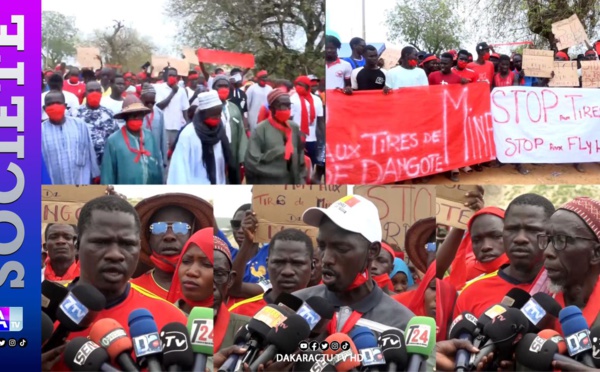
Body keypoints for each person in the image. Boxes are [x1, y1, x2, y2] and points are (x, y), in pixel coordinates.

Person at [44, 196, 187, 372]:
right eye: (101, 242)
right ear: (78, 244)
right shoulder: (32, 311)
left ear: (138, 247)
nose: (115, 255)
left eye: (127, 244)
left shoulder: (174, 321)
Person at [295, 195, 415, 334]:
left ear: (372, 251)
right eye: (322, 246)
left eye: (341, 249)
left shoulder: (401, 324)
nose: (326, 259)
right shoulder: (295, 305)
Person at [454, 193, 555, 318]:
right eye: (512, 229)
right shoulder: (470, 294)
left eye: (532, 230)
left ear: (551, 235)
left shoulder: (565, 289)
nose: (520, 238)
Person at [131, 192, 214, 299]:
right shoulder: (131, 291)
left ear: (193, 234)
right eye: (159, 227)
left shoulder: (210, 291)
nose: (169, 236)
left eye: (180, 227)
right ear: (148, 236)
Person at [542, 197, 600, 327]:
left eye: (561, 240)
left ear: (596, 253)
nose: (547, 252)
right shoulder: (539, 303)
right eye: (548, 240)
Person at [229, 229, 313, 317]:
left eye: (297, 263)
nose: (287, 271)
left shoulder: (324, 318)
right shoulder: (239, 312)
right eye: (279, 262)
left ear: (312, 266)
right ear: (267, 264)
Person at [168, 90, 236, 184]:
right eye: (213, 115)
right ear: (203, 113)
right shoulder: (188, 134)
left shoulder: (219, 131)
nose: (217, 118)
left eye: (219, 114)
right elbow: (180, 169)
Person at [441, 206, 509, 292]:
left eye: (496, 236)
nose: (485, 246)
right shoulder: (469, 289)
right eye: (476, 240)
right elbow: (434, 277)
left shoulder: (530, 275)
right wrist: (461, 221)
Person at [245, 89, 307, 184]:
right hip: (269, 183)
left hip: (292, 182)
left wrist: (301, 180)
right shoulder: (260, 130)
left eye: (289, 106)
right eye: (282, 106)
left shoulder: (293, 127)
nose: (286, 109)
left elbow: (300, 158)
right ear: (271, 108)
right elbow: (252, 163)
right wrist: (279, 152)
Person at [101, 96, 163, 184]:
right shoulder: (114, 141)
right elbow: (108, 174)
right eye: (133, 116)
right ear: (125, 117)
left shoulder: (149, 136)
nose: (137, 118)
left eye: (140, 115)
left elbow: (158, 163)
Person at [42, 90, 99, 184]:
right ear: (44, 108)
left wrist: (96, 175)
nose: (55, 106)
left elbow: (90, 151)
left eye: (58, 103)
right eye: (50, 104)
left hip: (80, 181)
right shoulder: (39, 131)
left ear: (65, 106)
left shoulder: (80, 125)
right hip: (53, 185)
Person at [214, 235, 251, 352]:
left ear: (230, 280)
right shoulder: (160, 320)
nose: (209, 283)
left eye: (218, 274)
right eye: (198, 273)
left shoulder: (248, 328)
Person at [166, 227, 214, 314]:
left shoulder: (238, 323)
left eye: (207, 264)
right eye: (186, 261)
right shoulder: (161, 318)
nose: (191, 272)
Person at [76, 81, 119, 167]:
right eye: (91, 91)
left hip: (105, 163)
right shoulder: (75, 114)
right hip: (84, 164)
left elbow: (116, 137)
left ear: (101, 93)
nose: (94, 93)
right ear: (85, 93)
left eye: (97, 90)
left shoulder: (109, 113)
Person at [213, 75, 247, 183]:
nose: (223, 89)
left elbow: (241, 132)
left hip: (233, 150)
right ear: (214, 88)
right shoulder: (208, 108)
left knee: (234, 179)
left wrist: (242, 156)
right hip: (215, 149)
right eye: (220, 86)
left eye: (226, 86)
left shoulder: (234, 107)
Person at [290, 75, 324, 169]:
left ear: (307, 86)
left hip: (312, 139)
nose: (298, 87)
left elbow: (320, 121)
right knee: (296, 166)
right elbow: (288, 120)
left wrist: (324, 137)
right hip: (296, 139)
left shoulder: (317, 100)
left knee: (310, 165)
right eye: (296, 85)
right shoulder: (292, 99)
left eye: (301, 85)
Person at [155, 67, 190, 147]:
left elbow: (185, 109)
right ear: (166, 76)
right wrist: (173, 93)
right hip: (164, 126)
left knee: (175, 150)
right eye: (170, 75)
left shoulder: (181, 90)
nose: (172, 78)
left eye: (174, 76)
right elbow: (159, 106)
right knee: (165, 150)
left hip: (178, 126)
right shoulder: (160, 88)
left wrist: (187, 125)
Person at [140, 83, 168, 170]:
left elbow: (163, 138)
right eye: (147, 103)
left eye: (153, 102)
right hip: (141, 155)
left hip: (156, 156)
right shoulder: (136, 114)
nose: (150, 105)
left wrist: (164, 160)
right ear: (141, 99)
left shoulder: (159, 114)